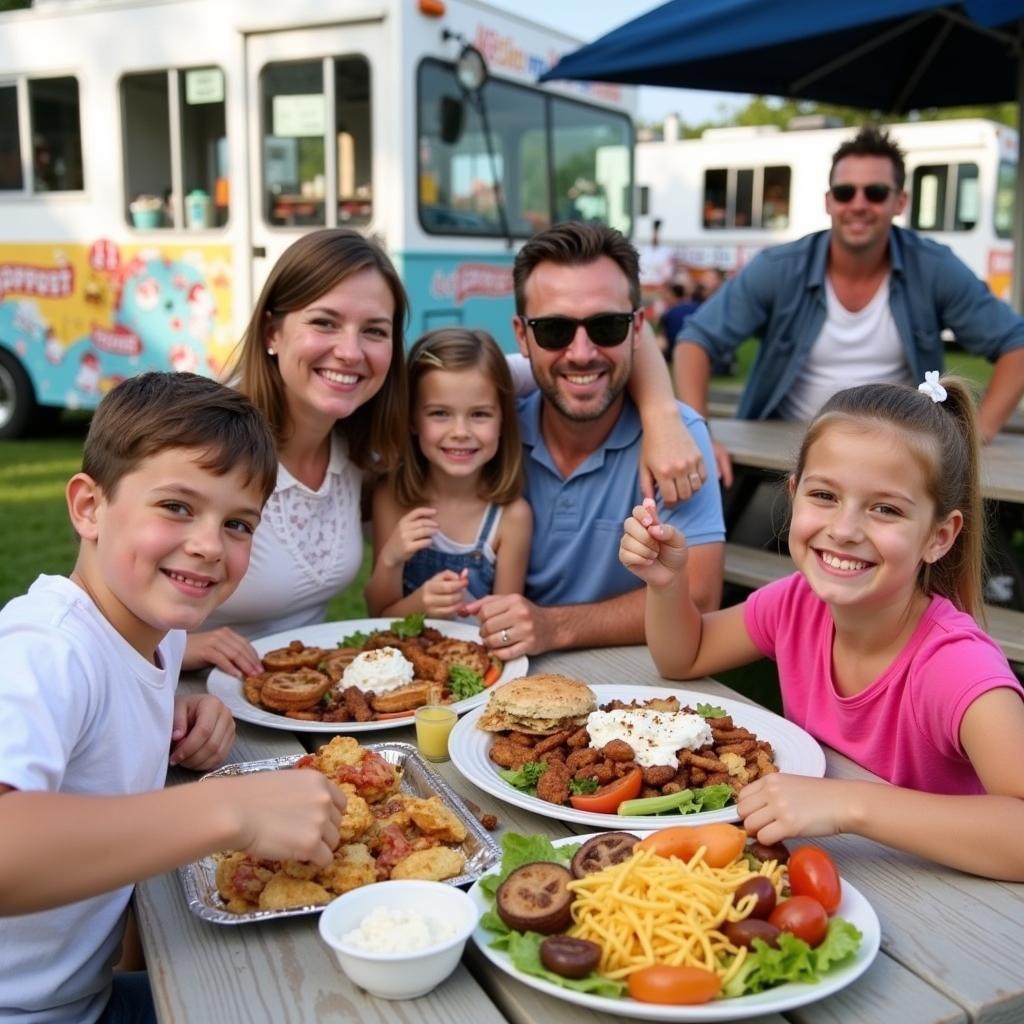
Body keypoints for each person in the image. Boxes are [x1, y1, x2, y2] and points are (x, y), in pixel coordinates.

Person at [0, 373, 347, 1023]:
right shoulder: (45, 647)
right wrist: (228, 809)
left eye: (238, 523)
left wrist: (164, 719)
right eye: (178, 507)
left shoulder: (150, 644)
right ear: (88, 507)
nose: (209, 544)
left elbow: (95, 739)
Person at [620, 375, 1024, 881]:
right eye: (825, 495)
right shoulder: (797, 604)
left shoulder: (957, 667)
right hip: (827, 876)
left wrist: (851, 804)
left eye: (886, 509)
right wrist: (667, 585)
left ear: (939, 537)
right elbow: (685, 656)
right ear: (794, 495)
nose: (845, 529)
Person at [673, 125, 1024, 487]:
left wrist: (977, 433)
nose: (858, 205)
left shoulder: (932, 266)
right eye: (845, 192)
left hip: (899, 461)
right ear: (828, 202)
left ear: (899, 201)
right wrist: (698, 435)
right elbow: (694, 342)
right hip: (787, 458)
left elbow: (1016, 343)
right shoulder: (780, 267)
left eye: (875, 193)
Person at [463, 221, 726, 661]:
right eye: (553, 330)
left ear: (637, 329)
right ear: (522, 335)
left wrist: (554, 627)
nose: (581, 352)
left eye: (606, 326)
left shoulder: (677, 437)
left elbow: (698, 596)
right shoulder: (485, 425)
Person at [185, 228, 409, 677]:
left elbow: (485, 375)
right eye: (324, 322)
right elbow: (104, 593)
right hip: (187, 697)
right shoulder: (204, 440)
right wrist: (185, 647)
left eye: (374, 331)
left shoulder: (361, 450)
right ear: (272, 331)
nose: (350, 351)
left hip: (302, 696)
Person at [365, 328, 532, 618]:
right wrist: (392, 560)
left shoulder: (512, 518)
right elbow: (378, 616)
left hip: (478, 658)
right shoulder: (392, 499)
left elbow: (504, 623)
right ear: (413, 420)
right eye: (439, 413)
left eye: (479, 414)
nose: (460, 433)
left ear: (503, 420)